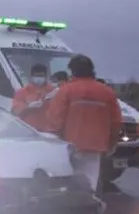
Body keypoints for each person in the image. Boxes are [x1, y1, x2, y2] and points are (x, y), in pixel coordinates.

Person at [47, 54, 122, 195]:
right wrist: (111, 144)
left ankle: (71, 210)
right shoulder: (106, 92)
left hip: (70, 146)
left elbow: (55, 119)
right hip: (95, 146)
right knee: (90, 181)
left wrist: (53, 142)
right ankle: (89, 208)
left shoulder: (66, 90)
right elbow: (116, 122)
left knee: (68, 182)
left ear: (72, 71)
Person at [11, 64, 55, 131]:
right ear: (31, 76)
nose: (39, 78)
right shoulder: (22, 92)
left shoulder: (53, 91)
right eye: (37, 76)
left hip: (48, 131)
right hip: (29, 130)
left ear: (46, 76)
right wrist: (28, 106)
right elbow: (14, 111)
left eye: (41, 76)